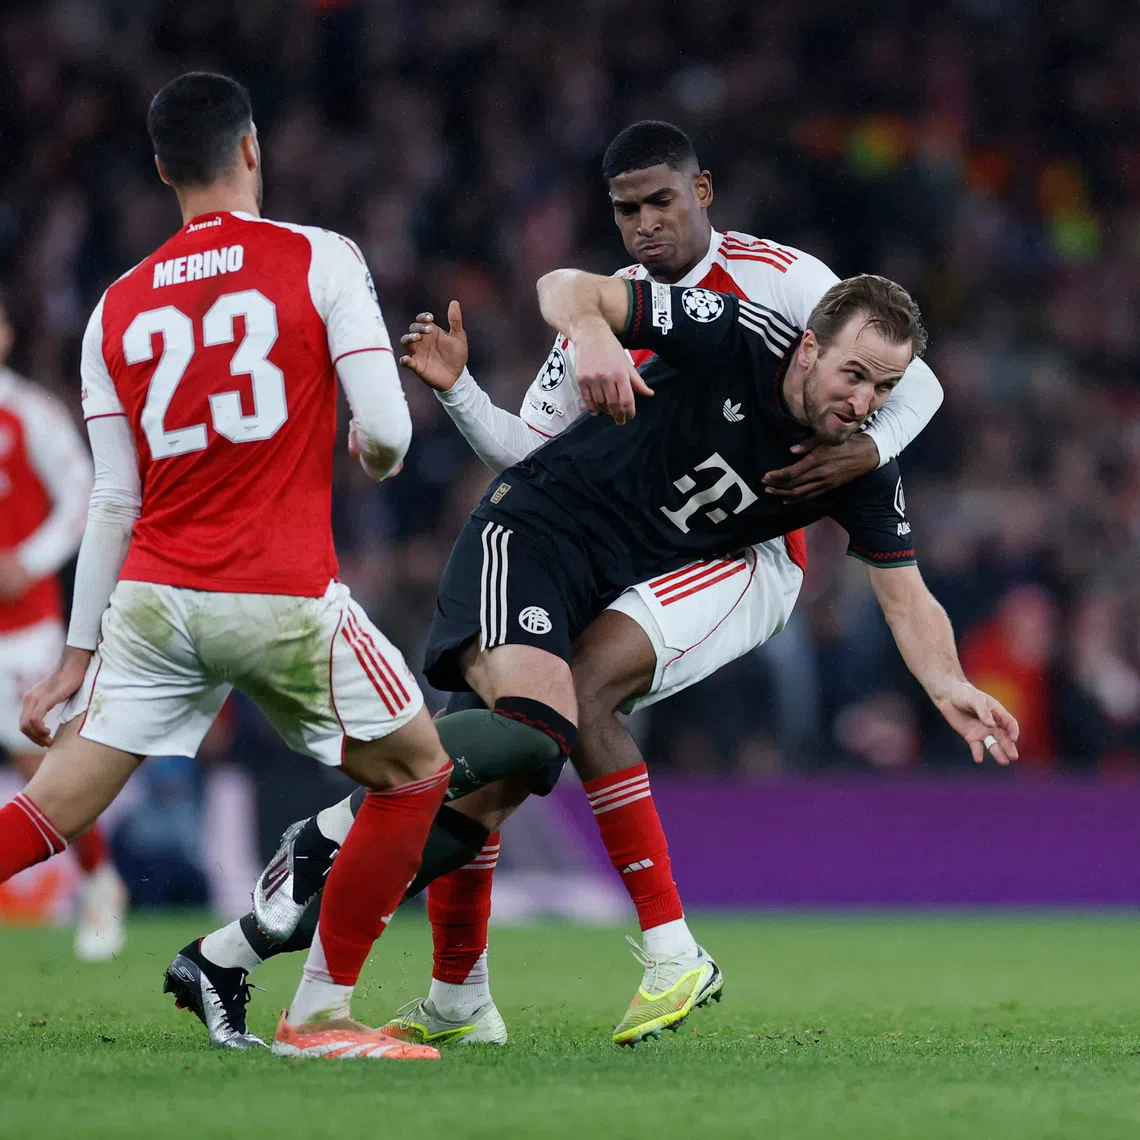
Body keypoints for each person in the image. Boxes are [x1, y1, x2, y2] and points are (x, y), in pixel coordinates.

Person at [180, 121, 949, 1050]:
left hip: (662, 558)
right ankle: (342, 879)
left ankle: (358, 973)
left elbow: (917, 404)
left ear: (702, 193)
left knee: (511, 769)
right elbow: (549, 369)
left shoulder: (781, 288)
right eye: (626, 210)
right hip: (538, 537)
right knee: (529, 737)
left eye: (661, 202)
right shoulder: (667, 320)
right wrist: (522, 365)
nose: (645, 225)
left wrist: (871, 456)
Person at [0, 71, 454, 1062]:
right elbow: (384, 432)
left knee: (49, 807)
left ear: (163, 169)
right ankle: (323, 1015)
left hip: (154, 599)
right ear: (253, 148)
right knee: (419, 773)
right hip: (279, 594)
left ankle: (255, 971)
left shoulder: (114, 306)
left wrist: (76, 658)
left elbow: (114, 499)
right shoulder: (319, 257)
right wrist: (372, 458)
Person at [0, 301, 129, 959]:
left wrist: (30, 559)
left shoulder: (27, 412)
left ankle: (100, 884)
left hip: (20, 629)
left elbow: (84, 492)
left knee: (40, 765)